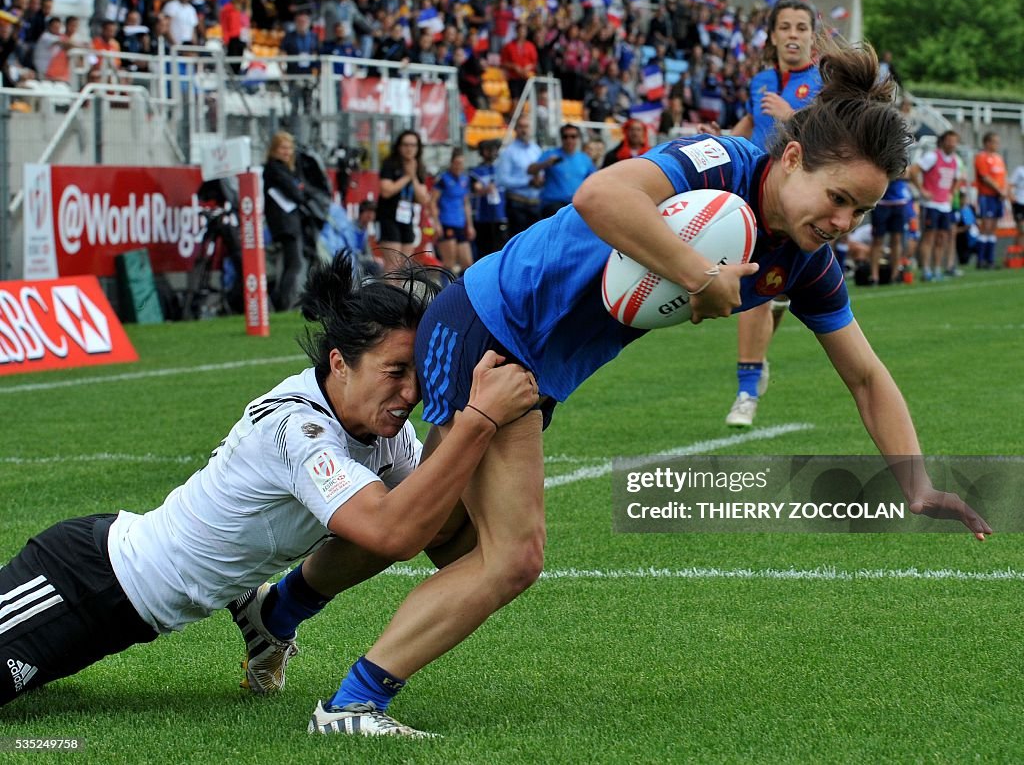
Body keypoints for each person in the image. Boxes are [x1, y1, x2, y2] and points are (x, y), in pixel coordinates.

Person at [264, 43, 990, 739]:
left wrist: (916, 482)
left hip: (531, 361)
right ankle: (354, 702)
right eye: (837, 199)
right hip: (495, 325)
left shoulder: (804, 263)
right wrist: (700, 275)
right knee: (511, 556)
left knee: (435, 531)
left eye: (859, 213)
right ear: (792, 158)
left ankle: (276, 613)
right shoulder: (720, 162)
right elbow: (601, 193)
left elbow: (865, 374)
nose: (841, 225)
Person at [0, 252, 538, 709]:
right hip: (85, 578)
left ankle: (275, 611)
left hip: (123, 618)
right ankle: (276, 611)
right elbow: (394, 534)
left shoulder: (379, 427)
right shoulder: (298, 429)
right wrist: (477, 421)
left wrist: (478, 421)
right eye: (395, 372)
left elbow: (437, 532)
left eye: (419, 377)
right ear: (340, 362)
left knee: (406, 505)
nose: (410, 394)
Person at [703, 0, 823, 428]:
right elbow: (754, 124)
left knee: (779, 291)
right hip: (759, 196)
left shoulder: (823, 82)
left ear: (813, 35)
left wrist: (793, 116)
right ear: (772, 36)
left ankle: (757, 362)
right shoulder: (761, 81)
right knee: (757, 289)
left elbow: (834, 140)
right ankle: (746, 391)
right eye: (785, 27)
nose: (793, 34)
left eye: (801, 27)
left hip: (806, 202)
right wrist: (720, 138)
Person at [264, 130, 311, 311]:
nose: (287, 152)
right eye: (283, 148)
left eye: (289, 148)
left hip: (288, 222)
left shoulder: (285, 168)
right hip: (285, 223)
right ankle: (285, 303)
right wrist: (300, 191)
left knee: (292, 263)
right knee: (294, 264)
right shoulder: (274, 168)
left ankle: (285, 301)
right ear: (275, 149)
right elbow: (296, 192)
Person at [909, 130, 963, 282]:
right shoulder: (933, 156)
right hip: (931, 204)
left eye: (955, 141)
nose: (952, 144)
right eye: (950, 140)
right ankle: (926, 269)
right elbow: (913, 170)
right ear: (943, 141)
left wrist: (952, 192)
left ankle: (937, 269)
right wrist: (922, 190)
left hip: (945, 205)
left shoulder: (955, 160)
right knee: (929, 236)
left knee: (942, 238)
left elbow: (959, 178)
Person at [377, 129, 431, 270]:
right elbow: (386, 191)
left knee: (404, 266)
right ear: (399, 147)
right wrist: (406, 176)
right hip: (389, 217)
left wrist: (413, 176)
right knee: (392, 265)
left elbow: (422, 198)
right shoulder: (390, 164)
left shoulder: (418, 167)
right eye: (406, 145)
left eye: (413, 145)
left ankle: (399, 292)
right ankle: (388, 292)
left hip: (407, 218)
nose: (409, 149)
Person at [529, 123, 596, 219]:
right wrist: (546, 164)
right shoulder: (551, 154)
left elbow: (594, 179)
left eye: (573, 136)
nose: (569, 140)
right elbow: (530, 170)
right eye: (565, 137)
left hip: (576, 205)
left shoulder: (584, 158)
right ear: (561, 138)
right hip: (553, 204)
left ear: (578, 138)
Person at [495, 116, 543, 237]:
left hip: (535, 203)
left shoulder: (536, 149)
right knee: (519, 241)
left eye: (526, 126)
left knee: (536, 241)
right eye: (521, 126)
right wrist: (527, 182)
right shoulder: (508, 152)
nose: (524, 130)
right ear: (516, 129)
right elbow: (502, 180)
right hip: (517, 204)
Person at [431, 151, 475, 275]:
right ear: (451, 163)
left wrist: (470, 225)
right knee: (449, 263)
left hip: (460, 223)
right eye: (456, 163)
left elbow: (466, 203)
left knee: (467, 263)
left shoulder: (464, 179)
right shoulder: (443, 179)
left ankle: (463, 291)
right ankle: (443, 290)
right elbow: (432, 202)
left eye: (461, 163)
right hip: (446, 222)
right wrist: (436, 223)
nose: (458, 166)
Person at [972, 131, 1007, 269]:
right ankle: (981, 260)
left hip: (998, 197)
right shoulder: (981, 157)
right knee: (985, 226)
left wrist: (1005, 191)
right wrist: (1000, 190)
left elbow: (1003, 177)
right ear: (987, 143)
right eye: (994, 142)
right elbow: (985, 177)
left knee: (993, 228)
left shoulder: (998, 158)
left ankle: (990, 260)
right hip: (986, 196)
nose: (997, 145)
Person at [469, 139, 509, 257]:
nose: (491, 152)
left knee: (501, 249)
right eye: (487, 149)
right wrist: (485, 189)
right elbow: (476, 188)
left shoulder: (501, 169)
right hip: (483, 218)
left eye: (493, 149)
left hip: (500, 215)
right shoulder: (476, 172)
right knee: (484, 251)